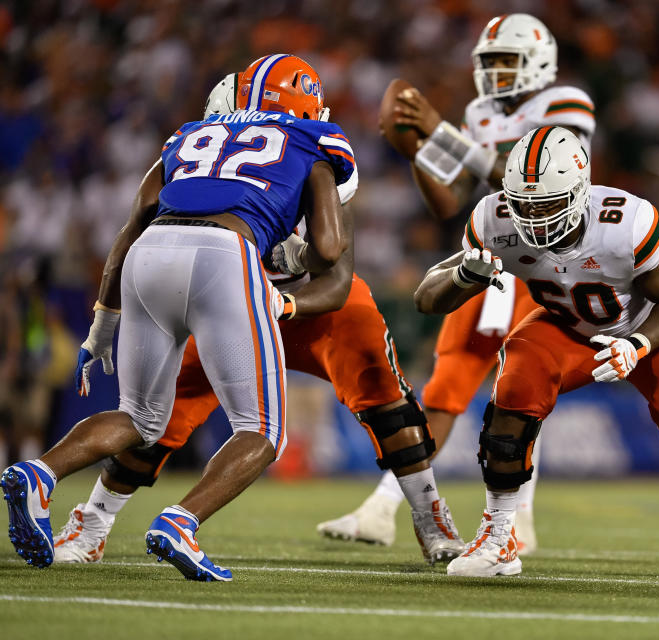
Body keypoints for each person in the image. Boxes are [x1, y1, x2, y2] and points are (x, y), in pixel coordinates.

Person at [49, 75, 464, 567]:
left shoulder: (297, 159)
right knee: (164, 416)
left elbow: (336, 277)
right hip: (227, 300)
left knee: (387, 400)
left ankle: (429, 516)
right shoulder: (286, 149)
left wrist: (285, 303)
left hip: (303, 303)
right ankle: (92, 522)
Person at [2, 54, 355, 581]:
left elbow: (129, 228)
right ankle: (181, 522)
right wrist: (290, 254)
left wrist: (102, 323)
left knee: (139, 417)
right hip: (224, 254)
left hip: (149, 252)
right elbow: (328, 249)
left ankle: (41, 472)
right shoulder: (314, 139)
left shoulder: (190, 134)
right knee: (262, 429)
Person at [414, 125, 659, 577]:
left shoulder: (626, 222)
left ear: (580, 192)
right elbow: (427, 300)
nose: (533, 217)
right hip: (567, 327)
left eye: (545, 204)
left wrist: (636, 344)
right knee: (517, 380)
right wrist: (465, 275)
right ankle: (500, 534)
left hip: (646, 329)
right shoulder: (495, 220)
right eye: (523, 204)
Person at [317, 13, 597, 555]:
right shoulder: (479, 113)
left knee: (520, 391)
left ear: (538, 62)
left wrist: (440, 131)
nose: (494, 73)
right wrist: (418, 149)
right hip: (491, 256)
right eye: (488, 62)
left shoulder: (567, 103)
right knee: (447, 387)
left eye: (506, 61)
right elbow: (451, 199)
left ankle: (519, 519)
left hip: (549, 265)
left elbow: (524, 175)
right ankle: (382, 507)